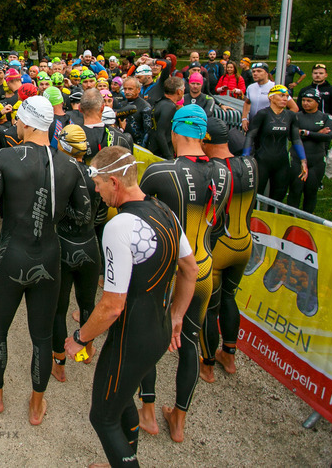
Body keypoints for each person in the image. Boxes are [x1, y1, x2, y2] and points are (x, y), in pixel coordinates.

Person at [65, 146, 197, 468]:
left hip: (131, 339)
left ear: (114, 182)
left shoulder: (119, 227)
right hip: (158, 329)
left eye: (97, 183)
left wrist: (79, 338)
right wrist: (177, 317)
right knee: (122, 398)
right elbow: (190, 269)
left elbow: (112, 306)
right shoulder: (164, 210)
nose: (95, 190)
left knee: (103, 418)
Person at [0, 96, 92, 426]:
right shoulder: (69, 164)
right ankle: (37, 405)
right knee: (41, 335)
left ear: (25, 123)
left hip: (11, 256)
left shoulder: (6, 156)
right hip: (49, 257)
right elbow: (84, 214)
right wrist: (54, 213)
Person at [136, 105, 227, 443]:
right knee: (189, 341)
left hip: (163, 269)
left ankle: (147, 410)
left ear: (175, 131)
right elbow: (217, 225)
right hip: (203, 268)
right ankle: (179, 422)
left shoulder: (160, 171)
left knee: (151, 338)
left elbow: (137, 220)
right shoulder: (225, 173)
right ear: (201, 133)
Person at [200, 117, 258, 382]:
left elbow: (210, 213)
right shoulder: (250, 162)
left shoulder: (214, 169)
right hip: (245, 244)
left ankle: (208, 365)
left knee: (210, 307)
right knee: (230, 298)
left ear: (206, 140)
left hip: (220, 246)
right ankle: (230, 355)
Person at [49, 125, 100, 384]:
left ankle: (59, 364)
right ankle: (87, 350)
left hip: (65, 244)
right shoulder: (95, 173)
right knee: (87, 303)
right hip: (90, 244)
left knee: (59, 309)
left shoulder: (60, 173)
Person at [244, 85, 307, 202]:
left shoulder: (291, 116)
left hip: (281, 163)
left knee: (278, 198)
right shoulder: (262, 114)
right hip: (262, 161)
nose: (285, 99)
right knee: (256, 196)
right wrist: (245, 158)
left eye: (287, 96)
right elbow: (250, 136)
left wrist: (303, 161)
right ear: (271, 97)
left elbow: (296, 139)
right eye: (281, 95)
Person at [287, 88, 332, 214]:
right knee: (295, 190)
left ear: (317, 102)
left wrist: (305, 132)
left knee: (311, 192)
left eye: (309, 100)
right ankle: (291, 220)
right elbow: (291, 136)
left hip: (316, 160)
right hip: (297, 159)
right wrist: (316, 133)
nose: (305, 103)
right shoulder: (296, 116)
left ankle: (307, 221)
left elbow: (328, 136)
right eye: (303, 100)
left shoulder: (326, 117)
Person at [298, 63, 332, 131]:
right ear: (312, 74)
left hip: (324, 124)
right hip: (306, 124)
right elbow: (299, 109)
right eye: (315, 73)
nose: (318, 75)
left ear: (326, 75)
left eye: (321, 73)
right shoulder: (304, 90)